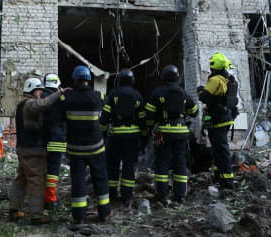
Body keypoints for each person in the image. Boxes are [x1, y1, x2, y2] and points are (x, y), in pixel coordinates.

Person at [58, 65, 110, 228]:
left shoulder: (66, 98)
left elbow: (59, 117)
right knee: (100, 179)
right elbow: (105, 117)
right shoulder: (98, 96)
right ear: (89, 80)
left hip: (75, 148)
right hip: (96, 147)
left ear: (74, 80)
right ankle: (104, 213)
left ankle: (79, 217)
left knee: (78, 182)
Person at [9, 77, 63, 225]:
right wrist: (59, 93)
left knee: (21, 179)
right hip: (32, 149)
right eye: (39, 90)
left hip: (23, 149)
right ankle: (37, 215)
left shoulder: (21, 104)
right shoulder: (30, 104)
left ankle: (13, 209)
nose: (41, 92)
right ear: (32, 90)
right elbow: (43, 104)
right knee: (37, 180)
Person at [145, 65, 198, 204]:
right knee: (179, 163)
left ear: (164, 77)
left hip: (164, 132)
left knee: (162, 162)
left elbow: (149, 114)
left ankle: (162, 195)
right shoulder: (183, 93)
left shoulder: (157, 93)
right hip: (181, 132)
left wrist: (149, 129)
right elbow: (194, 112)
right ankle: (180, 196)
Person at [99, 68, 145, 206]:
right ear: (132, 81)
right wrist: (144, 136)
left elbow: (105, 117)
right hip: (132, 137)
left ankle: (112, 194)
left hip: (116, 137)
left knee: (112, 165)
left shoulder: (113, 95)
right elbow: (143, 118)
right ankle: (126, 195)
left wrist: (103, 133)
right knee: (129, 166)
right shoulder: (137, 96)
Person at [198, 53, 239, 191]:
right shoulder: (228, 78)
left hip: (216, 120)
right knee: (217, 149)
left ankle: (228, 182)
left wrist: (199, 90)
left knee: (221, 149)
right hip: (226, 119)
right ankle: (219, 177)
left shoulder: (215, 80)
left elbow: (204, 97)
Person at [42, 73, 66, 209]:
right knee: (53, 171)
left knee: (43, 169)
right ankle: (50, 200)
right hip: (57, 140)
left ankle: (42, 196)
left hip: (42, 140)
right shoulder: (61, 98)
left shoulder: (40, 97)